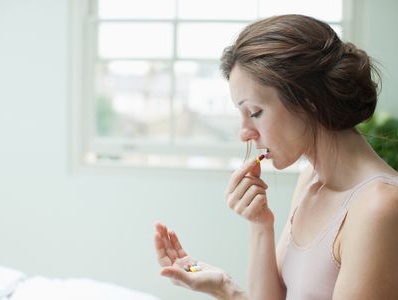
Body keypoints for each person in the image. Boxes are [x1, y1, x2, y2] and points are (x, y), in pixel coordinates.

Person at [154, 14, 398, 300]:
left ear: (309, 103)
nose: (244, 133)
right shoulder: (311, 180)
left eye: (254, 112)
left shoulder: (379, 208)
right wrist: (259, 227)